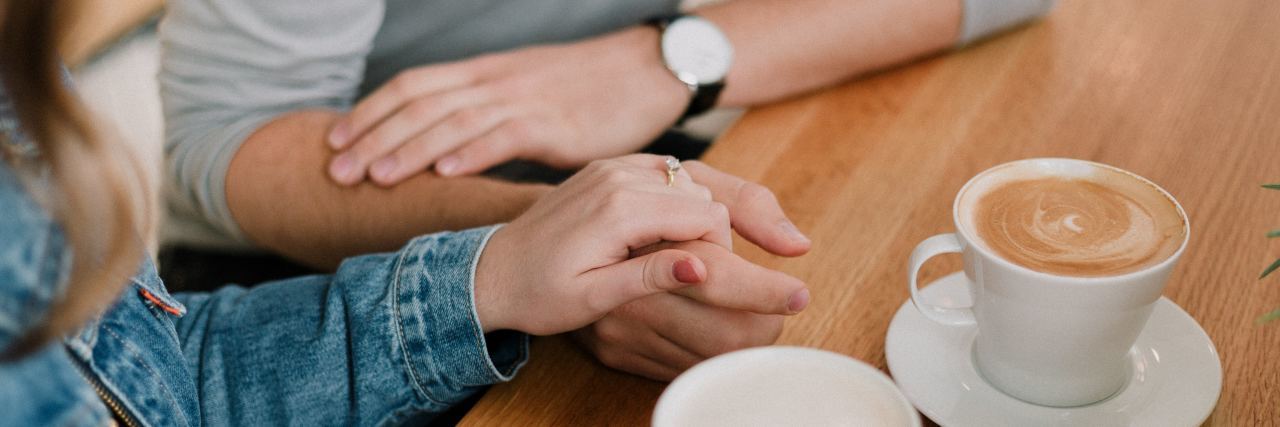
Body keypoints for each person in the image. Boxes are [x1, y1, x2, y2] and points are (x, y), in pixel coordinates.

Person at [0, 0, 806, 424]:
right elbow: (226, 139)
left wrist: (497, 273)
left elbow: (156, 385)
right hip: (281, 259)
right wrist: (533, 233)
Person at [158, 0, 1055, 379]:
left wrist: (670, 59)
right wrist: (545, 243)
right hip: (300, 269)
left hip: (616, 167)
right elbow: (225, 143)